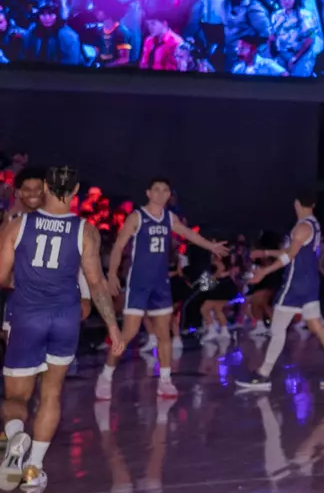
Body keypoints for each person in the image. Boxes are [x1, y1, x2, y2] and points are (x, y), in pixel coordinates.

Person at [0, 166, 126, 493]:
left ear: (43, 187)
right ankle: (33, 471)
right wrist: (113, 326)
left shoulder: (18, 225)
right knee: (51, 393)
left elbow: (0, 277)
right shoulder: (86, 230)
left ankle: (15, 440)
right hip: (65, 318)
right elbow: (97, 284)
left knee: (16, 397)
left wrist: (20, 281)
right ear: (76, 190)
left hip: (27, 316)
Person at [97, 177, 228, 400]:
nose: (160, 193)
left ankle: (165, 381)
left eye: (164, 190)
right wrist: (111, 275)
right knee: (127, 334)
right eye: (156, 189)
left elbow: (189, 234)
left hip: (160, 285)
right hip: (139, 284)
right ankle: (106, 376)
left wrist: (211, 246)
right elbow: (119, 246)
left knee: (163, 334)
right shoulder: (137, 216)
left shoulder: (169, 217)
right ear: (148, 193)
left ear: (169, 195)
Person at [236, 191, 324, 392]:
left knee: (277, 329)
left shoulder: (301, 227)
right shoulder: (313, 224)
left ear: (296, 202)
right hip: (310, 282)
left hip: (295, 283)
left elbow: (289, 256)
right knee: (315, 325)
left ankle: (263, 375)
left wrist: (264, 271)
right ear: (313, 203)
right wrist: (266, 253)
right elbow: (295, 252)